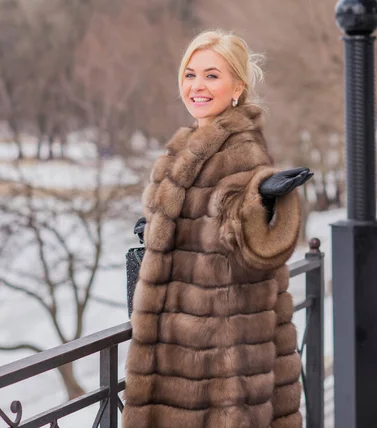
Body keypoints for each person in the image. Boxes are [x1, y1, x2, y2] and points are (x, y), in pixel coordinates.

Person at [123, 29, 313, 428]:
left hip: (215, 361)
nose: (197, 85)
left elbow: (249, 244)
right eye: (190, 74)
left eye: (212, 75)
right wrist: (160, 226)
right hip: (179, 350)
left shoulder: (239, 149)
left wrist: (259, 199)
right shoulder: (188, 147)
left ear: (238, 87)